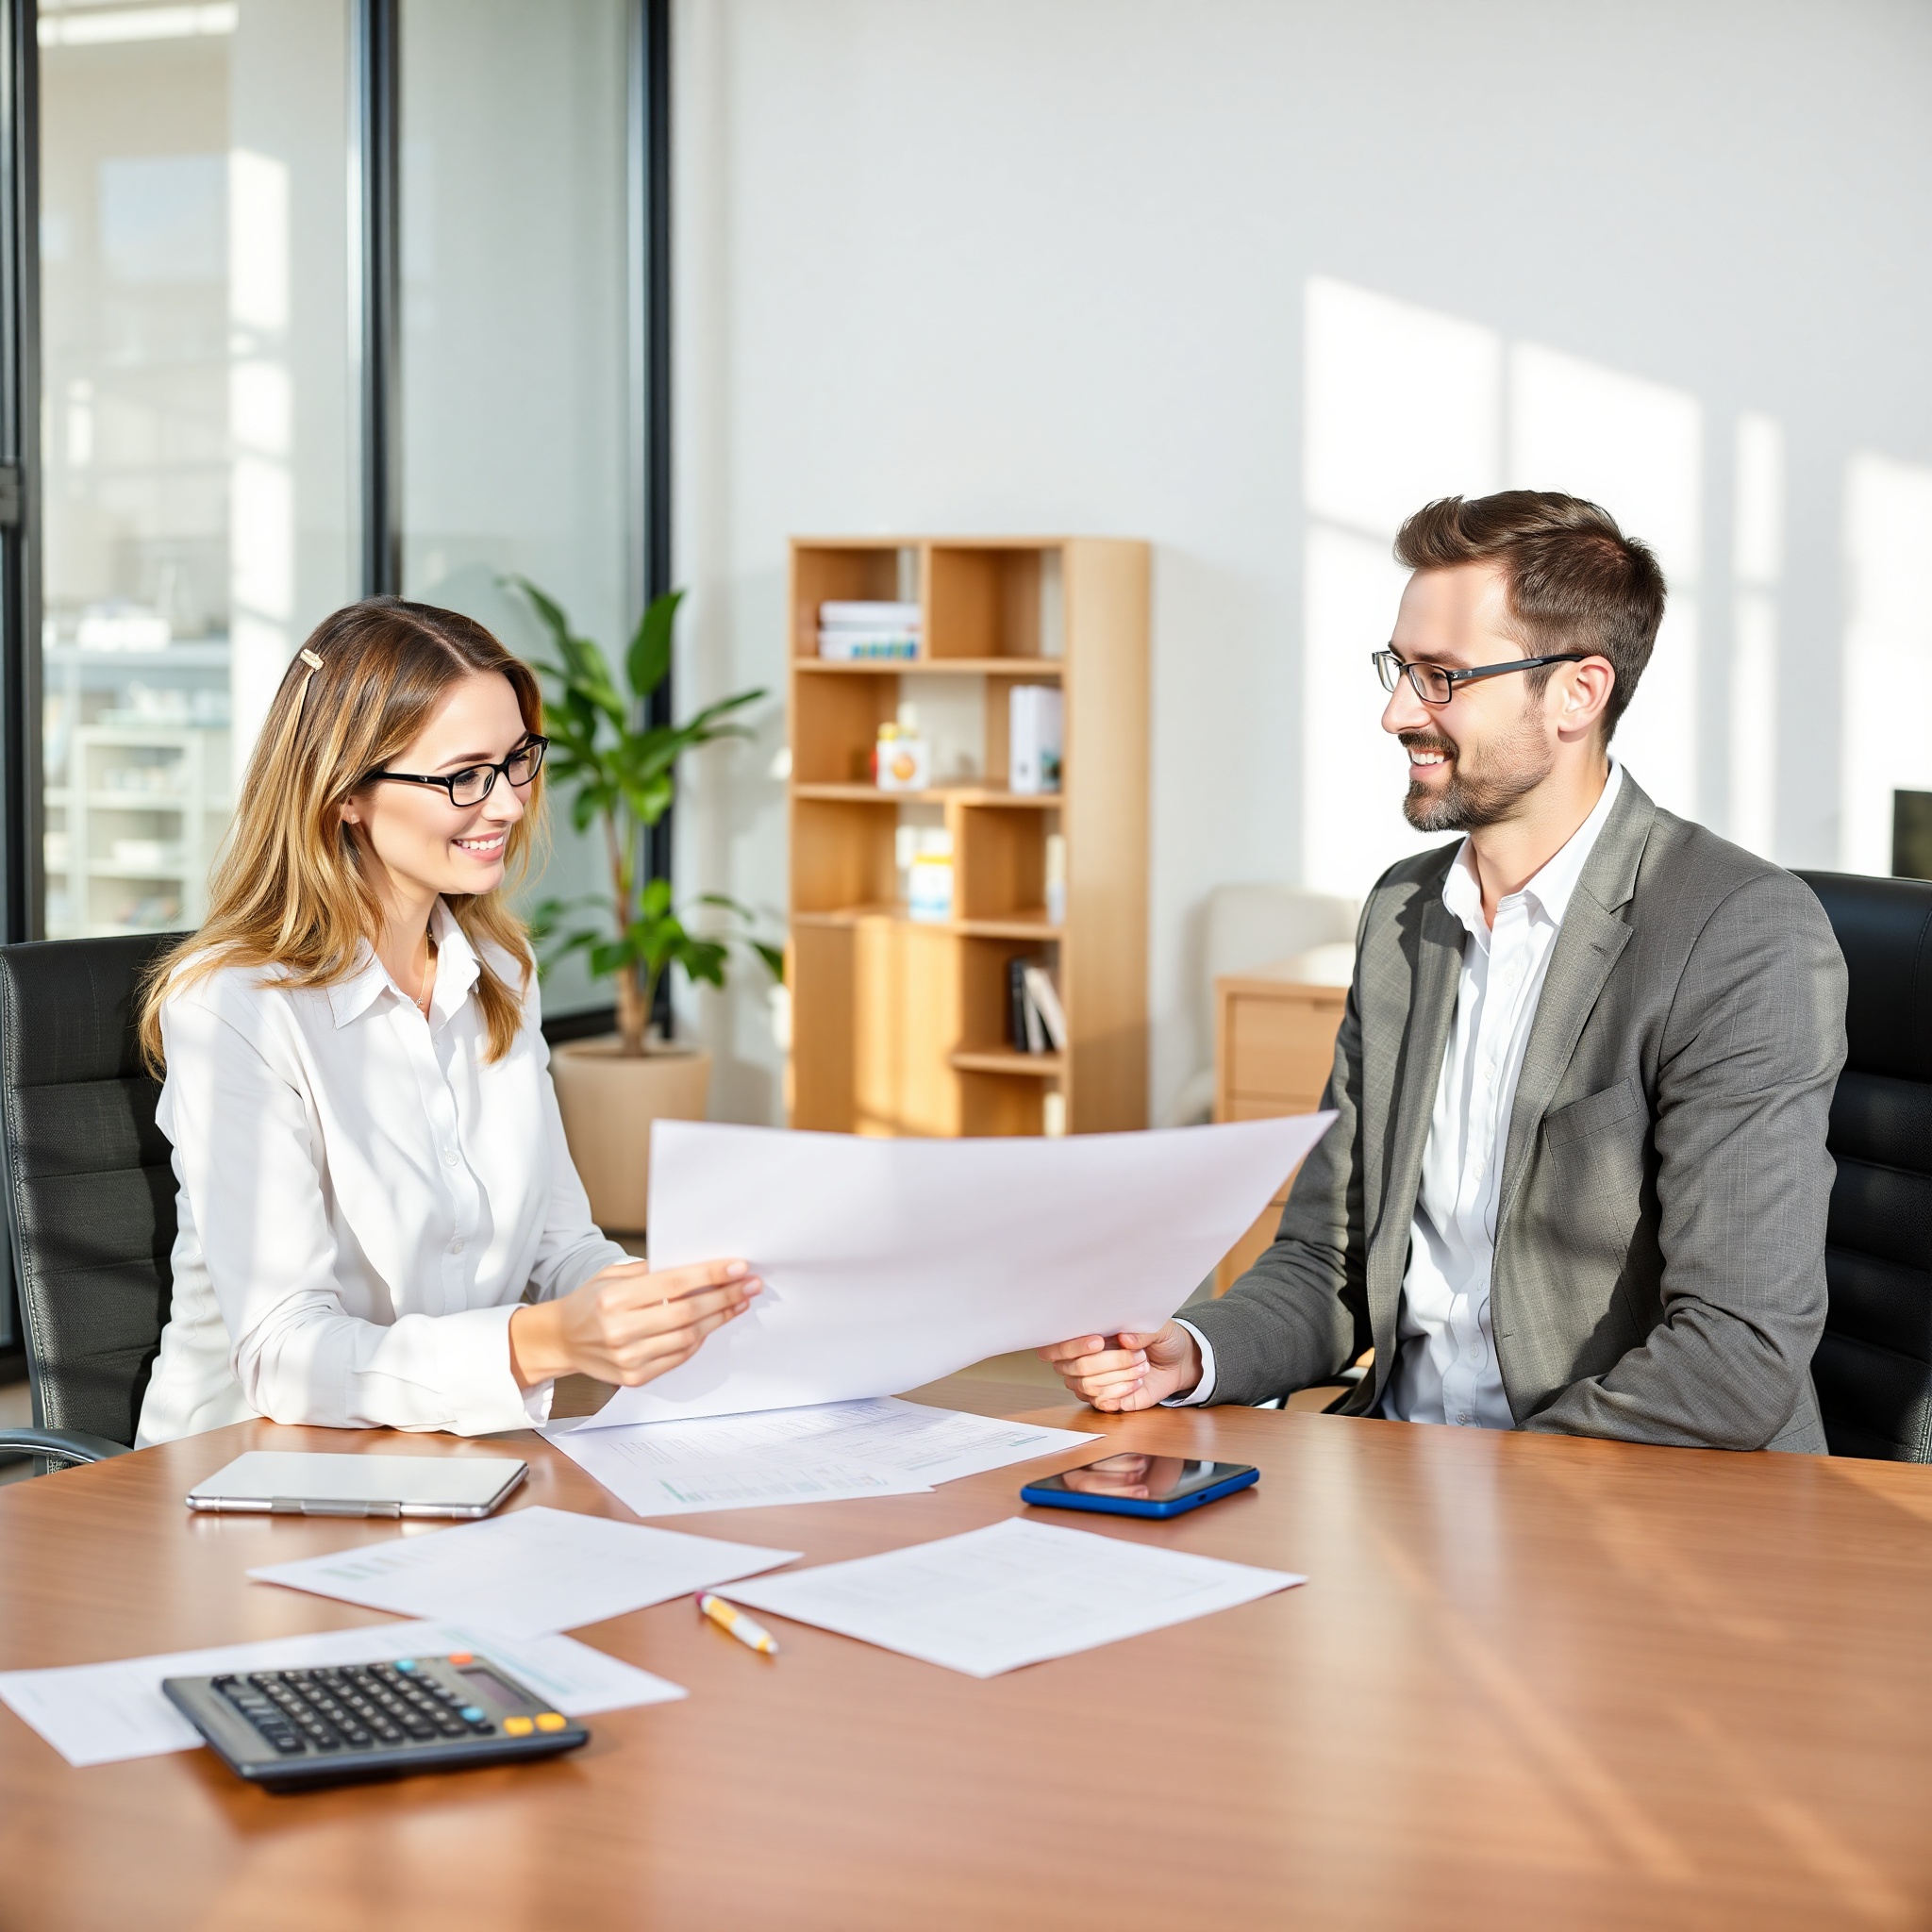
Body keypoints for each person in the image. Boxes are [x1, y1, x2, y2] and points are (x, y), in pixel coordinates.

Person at [1043, 491, 1847, 1452]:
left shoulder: (1735, 930)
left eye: (1440, 676)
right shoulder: (1403, 912)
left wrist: (1479, 1495)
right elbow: (1327, 1260)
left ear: (1575, 694)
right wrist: (1191, 1349)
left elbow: (1734, 1354)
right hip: (1405, 1480)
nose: (1393, 713)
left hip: (1628, 1508)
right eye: (1397, 669)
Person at [133, 598, 757, 1445]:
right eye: (465, 776)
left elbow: (557, 1245)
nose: (505, 805)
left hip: (445, 1458)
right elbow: (283, 1352)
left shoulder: (501, 972)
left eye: (517, 761)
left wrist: (662, 1299)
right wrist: (542, 1342)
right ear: (345, 793)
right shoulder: (233, 1007)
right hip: (247, 1475)